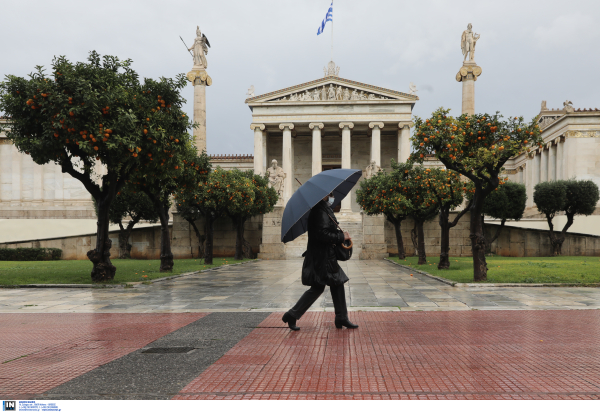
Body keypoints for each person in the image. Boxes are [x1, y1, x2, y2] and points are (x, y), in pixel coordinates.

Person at [282, 192, 358, 331]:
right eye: (330, 194)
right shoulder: (319, 211)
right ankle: (292, 314)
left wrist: (339, 235)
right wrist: (341, 236)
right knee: (320, 286)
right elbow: (321, 234)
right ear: (324, 195)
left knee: (336, 283)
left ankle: (341, 317)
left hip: (325, 256)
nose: (332, 196)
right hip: (323, 257)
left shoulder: (322, 209)